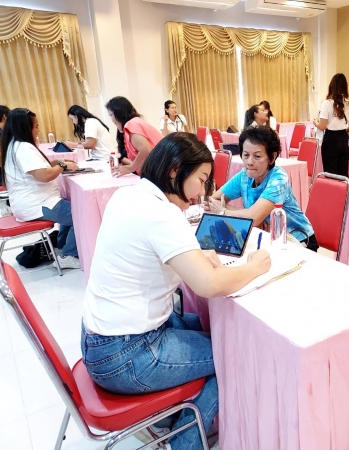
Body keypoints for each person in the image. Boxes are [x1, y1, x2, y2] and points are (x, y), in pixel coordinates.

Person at [81, 132, 271, 450]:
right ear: (174, 171)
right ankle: (185, 440)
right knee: (231, 354)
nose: (201, 192)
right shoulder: (162, 214)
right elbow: (208, 284)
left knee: (205, 326)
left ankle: (170, 417)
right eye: (201, 179)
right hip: (126, 355)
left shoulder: (129, 195)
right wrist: (255, 267)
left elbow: (151, 250)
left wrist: (194, 254)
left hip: (99, 341)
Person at [206, 126, 319, 251]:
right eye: (246, 155)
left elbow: (253, 218)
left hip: (298, 240)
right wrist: (250, 215)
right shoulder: (244, 175)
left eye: (257, 156)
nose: (249, 162)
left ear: (272, 157)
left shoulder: (278, 178)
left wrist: (224, 211)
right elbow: (213, 201)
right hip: (268, 238)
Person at [1, 108, 80, 269]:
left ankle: (61, 246)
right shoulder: (23, 147)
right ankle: (69, 255)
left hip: (30, 203)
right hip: (37, 204)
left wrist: (57, 163)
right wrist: (63, 165)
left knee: (69, 207)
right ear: (25, 127)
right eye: (36, 126)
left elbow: (38, 168)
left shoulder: (14, 145)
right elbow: (44, 175)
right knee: (80, 214)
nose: (38, 130)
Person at [105, 96, 162, 177]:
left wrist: (131, 168)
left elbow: (145, 149)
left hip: (159, 169)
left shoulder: (131, 124)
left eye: (111, 115)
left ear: (119, 112)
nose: (112, 119)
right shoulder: (135, 122)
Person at [313, 73, 349, 177]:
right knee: (343, 175)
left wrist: (315, 122)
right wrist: (342, 132)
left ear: (331, 86)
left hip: (330, 140)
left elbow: (322, 126)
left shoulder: (327, 104)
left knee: (330, 176)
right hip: (344, 140)